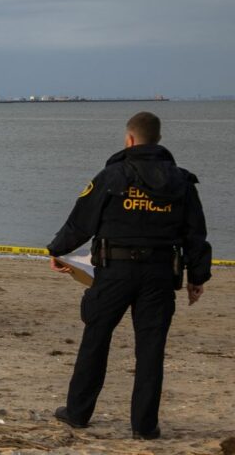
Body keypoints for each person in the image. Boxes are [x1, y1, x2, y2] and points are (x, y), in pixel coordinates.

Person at [47, 111, 212, 440]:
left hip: (115, 272)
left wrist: (56, 250)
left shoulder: (111, 176)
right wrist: (198, 276)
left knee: (96, 339)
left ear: (129, 139)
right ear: (158, 140)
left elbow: (81, 221)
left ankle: (78, 413)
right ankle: (145, 426)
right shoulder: (181, 181)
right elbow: (196, 234)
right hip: (160, 274)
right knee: (150, 348)